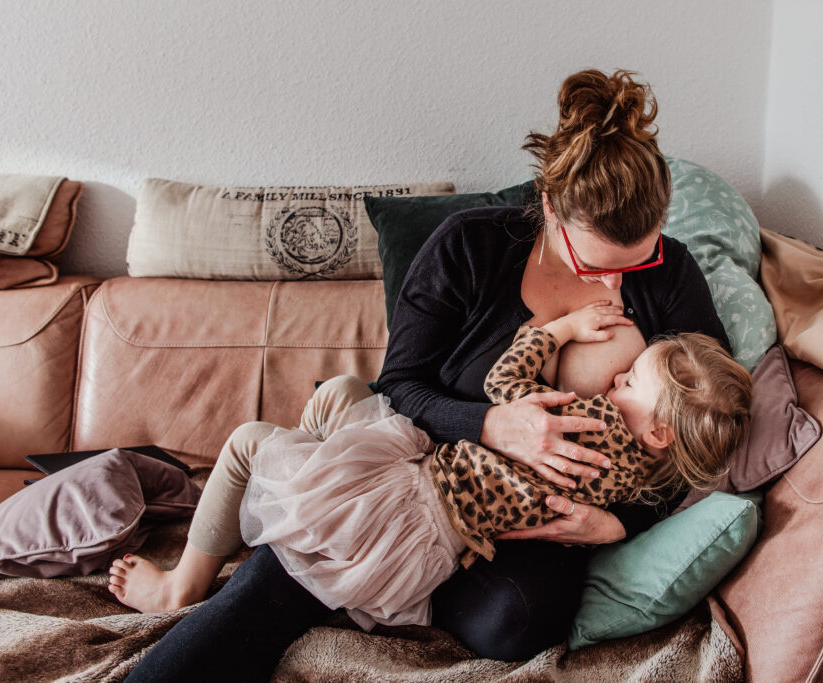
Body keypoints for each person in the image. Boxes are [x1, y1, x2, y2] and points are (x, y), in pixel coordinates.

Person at [123, 68, 733, 681]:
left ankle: (368, 572)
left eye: (642, 256)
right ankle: (291, 561)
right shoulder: (471, 245)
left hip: (518, 519)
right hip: (420, 466)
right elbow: (402, 388)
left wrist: (618, 523)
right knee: (296, 569)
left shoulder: (673, 276)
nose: (615, 285)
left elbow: (702, 432)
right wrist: (494, 424)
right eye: (593, 263)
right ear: (548, 206)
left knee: (519, 621)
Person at [109, 303, 751, 631]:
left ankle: (181, 587)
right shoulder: (633, 482)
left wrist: (559, 328)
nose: (615, 376)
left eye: (630, 380)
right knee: (339, 395)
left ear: (660, 431)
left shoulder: (590, 423)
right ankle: (290, 504)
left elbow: (505, 381)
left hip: (409, 495)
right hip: (431, 548)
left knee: (252, 441)